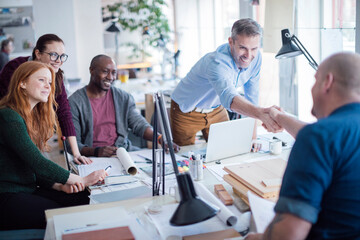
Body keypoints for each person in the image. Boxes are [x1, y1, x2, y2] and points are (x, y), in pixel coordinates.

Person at [246, 52, 360, 240]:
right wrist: (281, 117)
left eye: (315, 80)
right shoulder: (331, 134)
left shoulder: (319, 136)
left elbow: (288, 235)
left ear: (327, 82)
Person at [0, 61, 107, 230]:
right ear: (22, 83)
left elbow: (32, 168)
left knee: (84, 200)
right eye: (41, 80)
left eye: (49, 82)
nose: (47, 86)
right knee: (67, 218)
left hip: (29, 189)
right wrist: (82, 180)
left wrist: (59, 186)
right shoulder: (8, 116)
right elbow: (38, 163)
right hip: (7, 196)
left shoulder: (28, 117)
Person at [170, 18, 282, 147]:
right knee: (185, 158)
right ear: (231, 42)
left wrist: (253, 139)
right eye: (243, 48)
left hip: (216, 109)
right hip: (186, 109)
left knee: (226, 149)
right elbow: (229, 97)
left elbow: (252, 97)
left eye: (254, 48)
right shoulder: (217, 62)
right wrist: (262, 114)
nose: (248, 55)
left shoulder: (255, 59)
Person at [0, 34, 90, 165]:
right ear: (38, 53)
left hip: (33, 131)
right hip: (11, 128)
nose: (59, 60)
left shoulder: (56, 75)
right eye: (54, 55)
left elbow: (64, 112)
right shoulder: (16, 68)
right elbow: (10, 106)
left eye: (62, 56)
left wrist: (76, 154)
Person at [68, 55, 179, 157]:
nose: (110, 77)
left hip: (124, 152)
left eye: (114, 73)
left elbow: (140, 125)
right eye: (105, 72)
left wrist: (160, 138)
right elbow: (72, 144)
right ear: (92, 70)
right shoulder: (75, 102)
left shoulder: (123, 97)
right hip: (93, 157)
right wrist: (96, 151)